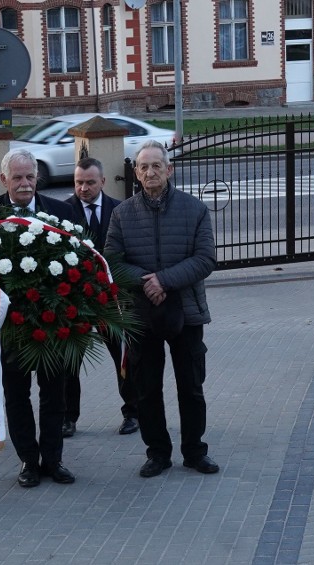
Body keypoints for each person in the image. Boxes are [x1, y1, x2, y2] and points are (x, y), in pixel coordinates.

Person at [104, 140, 220, 478]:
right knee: (147, 388)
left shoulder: (194, 209)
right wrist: (145, 281)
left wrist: (164, 281)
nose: (151, 172)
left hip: (187, 311)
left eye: (157, 165)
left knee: (191, 386)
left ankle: (195, 451)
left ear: (169, 170)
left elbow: (205, 258)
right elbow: (111, 261)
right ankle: (157, 453)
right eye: (144, 167)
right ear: (136, 174)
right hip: (141, 315)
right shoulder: (122, 214)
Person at [0, 148, 77, 488]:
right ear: (4, 179)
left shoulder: (61, 212)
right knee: (17, 396)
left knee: (54, 396)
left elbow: (80, 262)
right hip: (11, 329)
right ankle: (28, 462)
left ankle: (54, 460)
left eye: (30, 176)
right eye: (17, 177)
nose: (25, 183)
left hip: (51, 324)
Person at [62, 157, 139, 438]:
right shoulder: (63, 212)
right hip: (76, 303)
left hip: (111, 300)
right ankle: (68, 417)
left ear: (103, 182)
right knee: (69, 360)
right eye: (79, 182)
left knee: (123, 357)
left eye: (90, 182)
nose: (83, 188)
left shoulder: (121, 210)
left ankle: (132, 412)